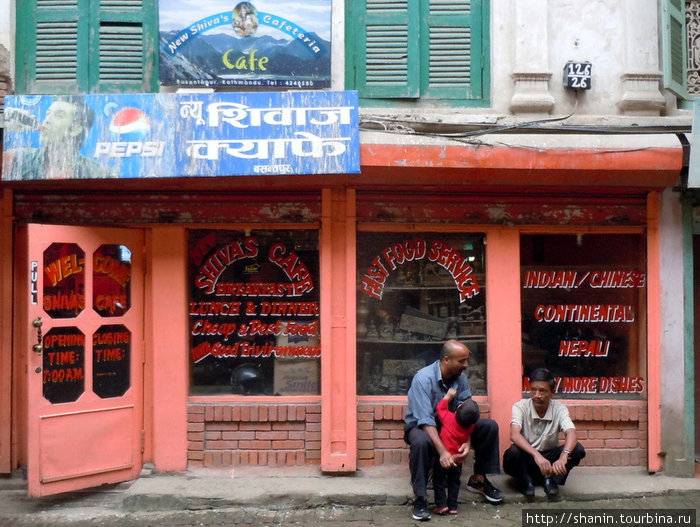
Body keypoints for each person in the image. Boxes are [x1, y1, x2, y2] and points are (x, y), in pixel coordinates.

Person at [404, 339, 503, 522]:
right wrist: (443, 452)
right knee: (420, 442)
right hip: (420, 425)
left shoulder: (460, 377)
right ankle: (420, 498)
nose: (466, 365)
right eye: (461, 361)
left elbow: (468, 410)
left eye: (466, 360)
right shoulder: (423, 378)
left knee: (489, 426)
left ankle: (478, 480)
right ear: (446, 360)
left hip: (452, 424)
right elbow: (425, 420)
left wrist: (467, 440)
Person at [503, 367, 586, 497]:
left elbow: (572, 433)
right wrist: (536, 455)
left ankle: (551, 479)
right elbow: (514, 434)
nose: (537, 395)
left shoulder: (559, 409)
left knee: (578, 450)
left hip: (549, 460)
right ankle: (525, 480)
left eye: (542, 391)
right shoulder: (520, 406)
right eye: (533, 390)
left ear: (552, 392)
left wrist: (564, 456)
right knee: (513, 452)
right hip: (527, 458)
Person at [3, 96, 116, 180]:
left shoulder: (100, 173)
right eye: (48, 114)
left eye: (59, 115)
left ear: (75, 129)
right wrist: (4, 125)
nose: (47, 120)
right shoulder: (17, 159)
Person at [432, 387, 480, 516]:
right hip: (458, 459)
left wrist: (448, 397)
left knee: (439, 481)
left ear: (458, 410)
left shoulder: (449, 418)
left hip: (444, 458)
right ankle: (453, 506)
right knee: (454, 482)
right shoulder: (471, 427)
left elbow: (440, 408)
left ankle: (441, 505)